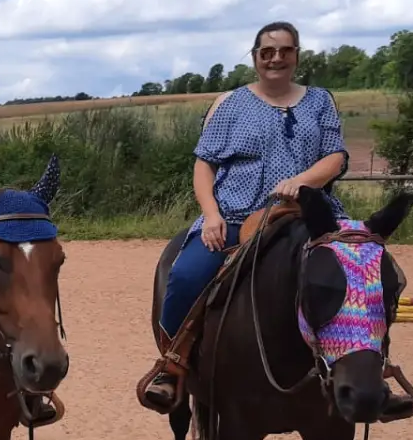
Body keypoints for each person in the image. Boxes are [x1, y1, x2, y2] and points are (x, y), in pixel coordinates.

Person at [138, 20, 349, 412]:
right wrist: (211, 214)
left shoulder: (321, 100)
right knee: (185, 275)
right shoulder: (229, 103)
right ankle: (173, 364)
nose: (276, 59)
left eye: (285, 51)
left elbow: (335, 157)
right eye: (267, 52)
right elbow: (204, 165)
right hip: (236, 214)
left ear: (297, 56)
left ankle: (369, 365)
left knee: (362, 269)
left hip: (309, 214)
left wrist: (301, 182)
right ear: (255, 58)